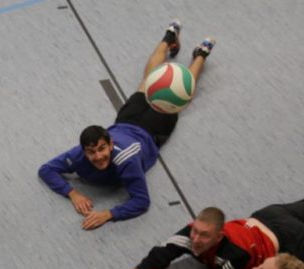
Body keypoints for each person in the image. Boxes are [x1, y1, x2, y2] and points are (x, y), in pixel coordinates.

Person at [38, 20, 215, 230]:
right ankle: (170, 38)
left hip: (152, 129)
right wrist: (72, 193)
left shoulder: (126, 161)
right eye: (91, 152)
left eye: (102, 148)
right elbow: (46, 169)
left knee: (179, 93)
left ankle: (199, 54)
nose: (98, 156)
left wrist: (109, 214)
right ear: (84, 151)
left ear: (110, 144)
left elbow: (141, 201)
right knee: (149, 81)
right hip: (126, 120)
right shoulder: (77, 154)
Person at [95, 196, 304, 269]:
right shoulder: (190, 235)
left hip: (287, 238)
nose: (196, 240)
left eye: (204, 235)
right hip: (268, 215)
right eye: (195, 231)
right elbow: (158, 257)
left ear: (219, 236)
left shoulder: (232, 256)